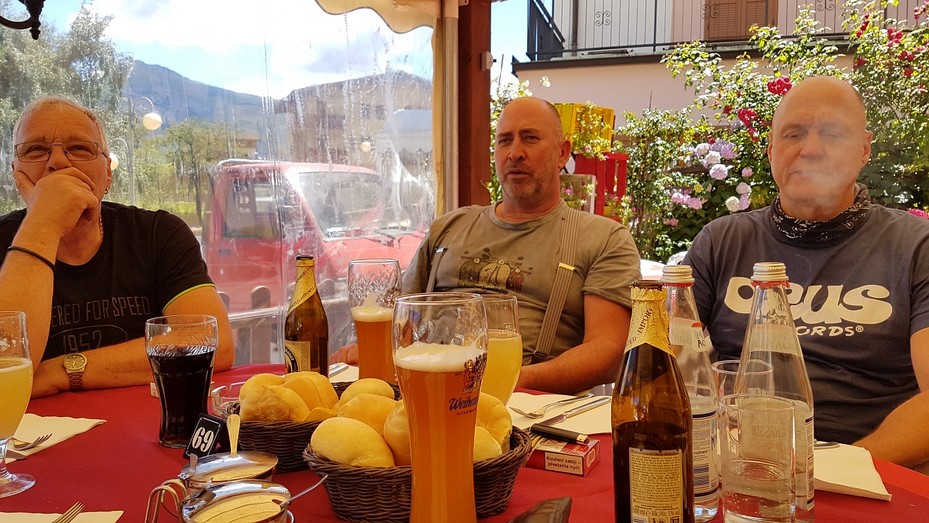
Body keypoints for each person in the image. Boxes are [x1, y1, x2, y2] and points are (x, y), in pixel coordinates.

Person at [683, 76, 929, 470]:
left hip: (870, 471)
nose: (811, 150)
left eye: (833, 134)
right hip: (736, 464)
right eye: (793, 134)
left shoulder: (917, 247)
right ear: (772, 149)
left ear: (864, 148)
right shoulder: (720, 241)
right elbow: (667, 365)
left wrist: (831, 471)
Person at [397, 96, 641, 393]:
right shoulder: (449, 227)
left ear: (562, 152)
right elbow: (398, 323)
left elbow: (609, 352)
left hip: (531, 407)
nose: (515, 153)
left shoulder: (603, 239)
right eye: (504, 141)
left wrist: (514, 380)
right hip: (427, 390)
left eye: (530, 138)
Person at [0, 96, 234, 397]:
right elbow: (5, 368)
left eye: (79, 148)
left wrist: (64, 371)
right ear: (16, 173)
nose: (57, 162)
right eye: (35, 149)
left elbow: (213, 343)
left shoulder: (158, 233)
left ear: (108, 173)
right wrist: (43, 222)